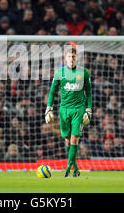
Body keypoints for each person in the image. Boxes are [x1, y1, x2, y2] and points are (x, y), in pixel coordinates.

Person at [45, 46, 92, 177]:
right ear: (65, 58)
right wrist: (49, 107)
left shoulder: (84, 72)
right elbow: (52, 91)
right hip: (64, 109)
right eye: (69, 56)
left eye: (74, 57)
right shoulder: (59, 73)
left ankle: (67, 168)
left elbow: (89, 92)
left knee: (74, 138)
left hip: (78, 109)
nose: (71, 59)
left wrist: (88, 108)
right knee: (67, 139)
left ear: (77, 58)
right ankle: (75, 167)